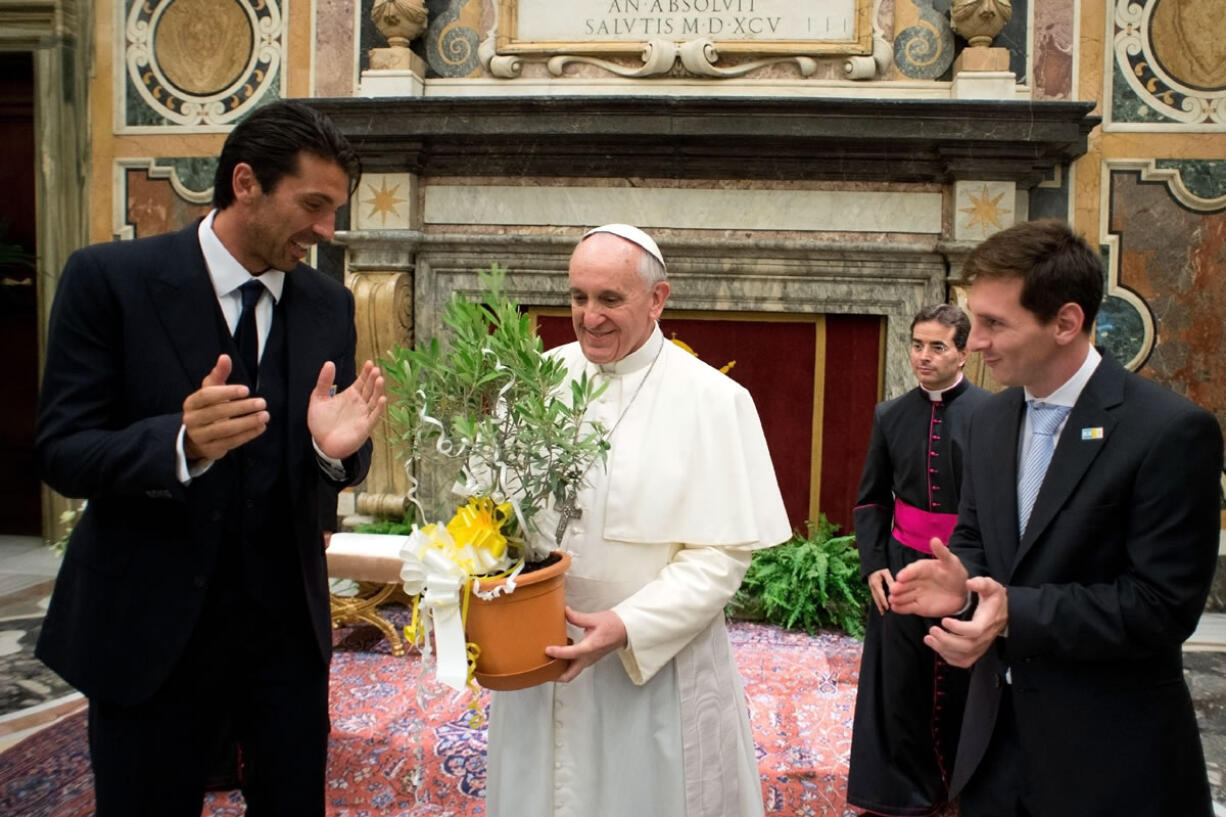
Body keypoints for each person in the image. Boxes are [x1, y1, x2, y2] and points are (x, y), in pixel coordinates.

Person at [35, 100, 387, 816]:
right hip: (149, 628)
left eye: (335, 210)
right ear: (246, 182)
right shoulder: (109, 280)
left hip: (283, 640)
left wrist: (333, 454)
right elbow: (62, 450)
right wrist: (176, 442)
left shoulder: (328, 305)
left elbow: (341, 455)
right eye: (314, 205)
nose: (327, 231)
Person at [889, 219, 1222, 817]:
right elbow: (979, 539)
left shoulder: (1169, 432)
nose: (976, 341)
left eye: (994, 323)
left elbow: (1161, 606)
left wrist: (1015, 611)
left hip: (1112, 765)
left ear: (1065, 322)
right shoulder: (989, 421)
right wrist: (962, 584)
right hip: (993, 755)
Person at [484, 224, 792, 817]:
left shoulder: (713, 400)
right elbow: (495, 520)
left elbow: (720, 556)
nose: (589, 316)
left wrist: (625, 625)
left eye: (609, 299)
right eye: (578, 297)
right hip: (539, 656)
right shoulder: (533, 384)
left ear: (657, 299)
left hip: (650, 667)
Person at [847, 304, 988, 816]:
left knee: (962, 686)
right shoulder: (890, 414)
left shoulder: (993, 414)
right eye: (917, 344)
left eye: (938, 346)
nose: (923, 357)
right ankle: (900, 795)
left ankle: (960, 789)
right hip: (903, 568)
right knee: (899, 687)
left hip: (970, 568)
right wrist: (874, 563)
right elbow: (870, 499)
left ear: (964, 353)